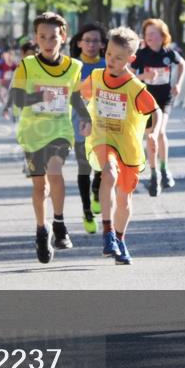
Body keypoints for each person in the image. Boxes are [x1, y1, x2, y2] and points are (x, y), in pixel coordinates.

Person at [10, 13, 91, 263]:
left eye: (53, 37)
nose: (48, 42)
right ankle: (41, 230)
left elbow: (76, 97)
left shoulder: (74, 67)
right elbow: (16, 100)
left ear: (63, 38)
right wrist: (38, 98)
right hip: (33, 132)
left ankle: (59, 223)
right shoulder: (27, 66)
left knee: (55, 171)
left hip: (60, 130)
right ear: (36, 38)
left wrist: (86, 117)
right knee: (40, 186)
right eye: (42, 37)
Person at [80, 27, 162, 265]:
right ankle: (107, 234)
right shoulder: (96, 78)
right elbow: (77, 96)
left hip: (128, 147)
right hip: (101, 138)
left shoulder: (135, 88)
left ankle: (119, 238)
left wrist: (154, 133)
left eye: (118, 58)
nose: (111, 61)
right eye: (109, 55)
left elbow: (155, 112)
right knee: (108, 173)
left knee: (125, 200)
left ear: (131, 59)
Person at [132, 18, 185, 196]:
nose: (150, 38)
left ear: (163, 36)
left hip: (164, 99)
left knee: (160, 132)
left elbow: (182, 64)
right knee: (151, 136)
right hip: (146, 100)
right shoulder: (141, 55)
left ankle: (164, 169)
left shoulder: (169, 53)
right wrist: (144, 76)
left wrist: (178, 83)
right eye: (147, 35)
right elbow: (129, 76)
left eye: (154, 34)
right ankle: (154, 173)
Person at [69, 23, 107, 233]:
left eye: (96, 40)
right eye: (87, 40)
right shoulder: (73, 67)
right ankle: (86, 211)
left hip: (103, 126)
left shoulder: (107, 65)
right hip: (80, 124)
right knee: (84, 168)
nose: (91, 44)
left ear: (102, 44)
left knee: (101, 166)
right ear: (79, 43)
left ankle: (96, 190)